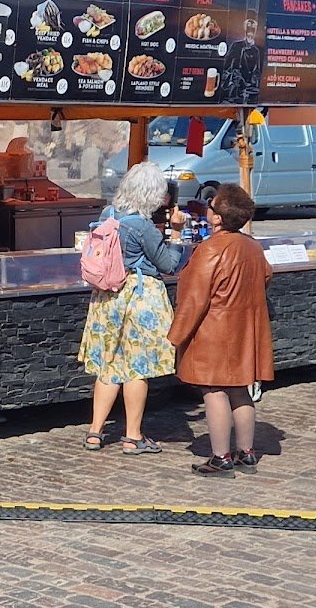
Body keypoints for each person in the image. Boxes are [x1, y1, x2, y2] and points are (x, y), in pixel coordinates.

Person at [80, 162, 193, 455]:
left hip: (107, 297)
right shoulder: (142, 226)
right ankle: (132, 437)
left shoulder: (108, 214)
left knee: (109, 364)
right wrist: (177, 235)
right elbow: (168, 265)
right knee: (135, 368)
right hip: (138, 298)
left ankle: (95, 432)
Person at [168, 184, 273, 476]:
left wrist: (175, 336)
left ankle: (220, 457)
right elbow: (266, 276)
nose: (208, 211)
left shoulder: (210, 249)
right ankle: (247, 452)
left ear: (217, 218)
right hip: (244, 328)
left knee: (214, 391)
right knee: (240, 390)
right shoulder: (252, 246)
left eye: (211, 207)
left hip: (214, 330)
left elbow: (194, 298)